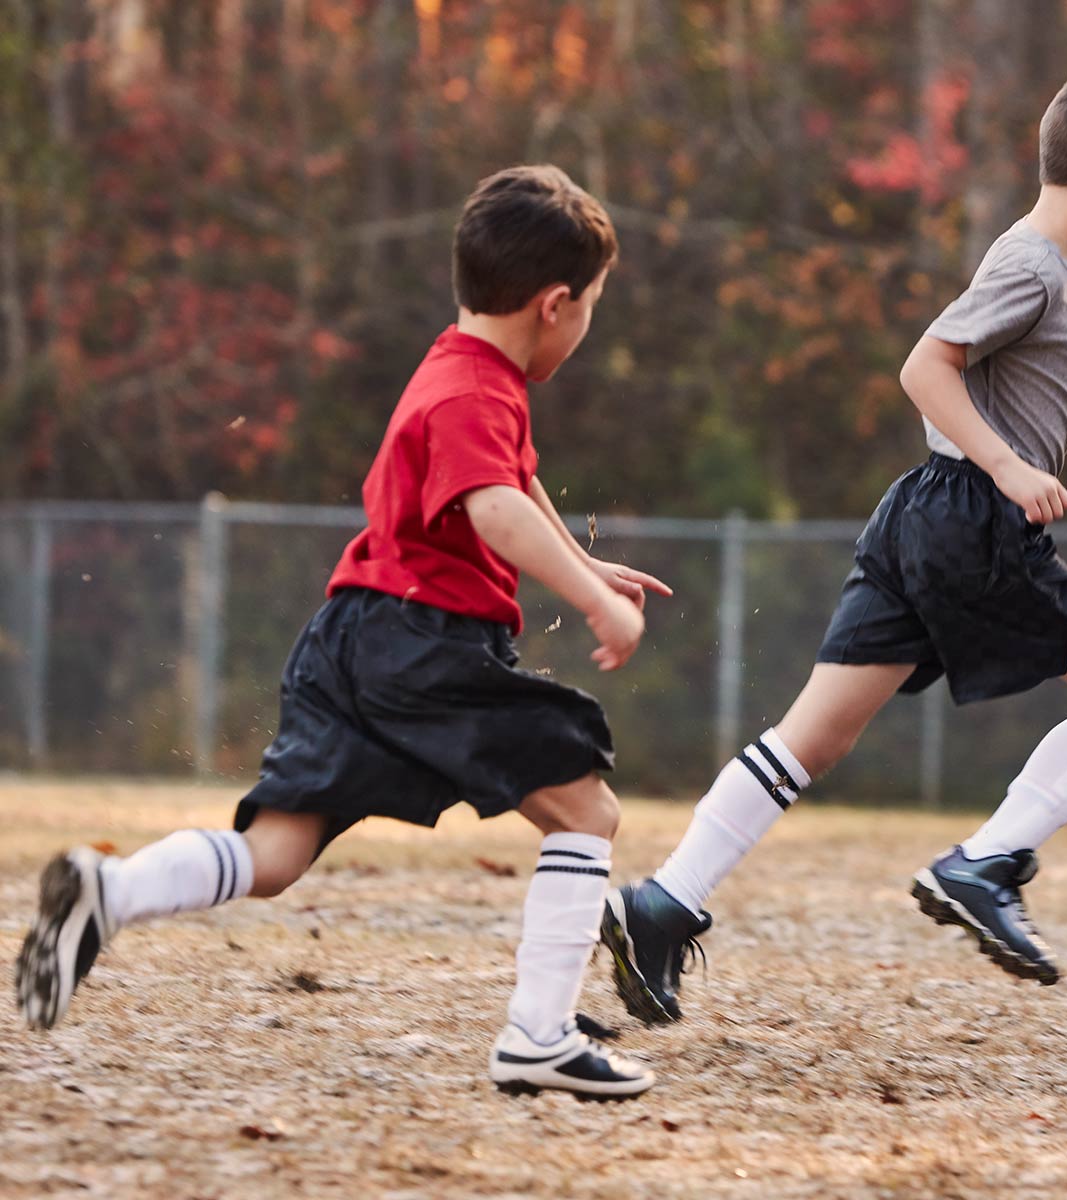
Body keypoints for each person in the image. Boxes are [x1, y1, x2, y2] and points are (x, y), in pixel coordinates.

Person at [15, 165, 669, 1101]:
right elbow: (493, 507)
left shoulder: (459, 369)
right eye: (595, 303)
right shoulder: (475, 394)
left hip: (353, 640)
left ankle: (105, 893)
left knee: (275, 856)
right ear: (556, 304)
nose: (590, 321)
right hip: (427, 648)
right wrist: (595, 602)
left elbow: (514, 488)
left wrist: (584, 563)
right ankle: (540, 1035)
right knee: (587, 811)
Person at [601, 66, 1067, 1025]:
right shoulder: (1032, 264)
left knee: (816, 734)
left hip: (925, 520)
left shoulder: (1048, 268)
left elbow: (1039, 392)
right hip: (975, 523)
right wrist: (1011, 472)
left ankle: (662, 902)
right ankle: (985, 864)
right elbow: (924, 368)